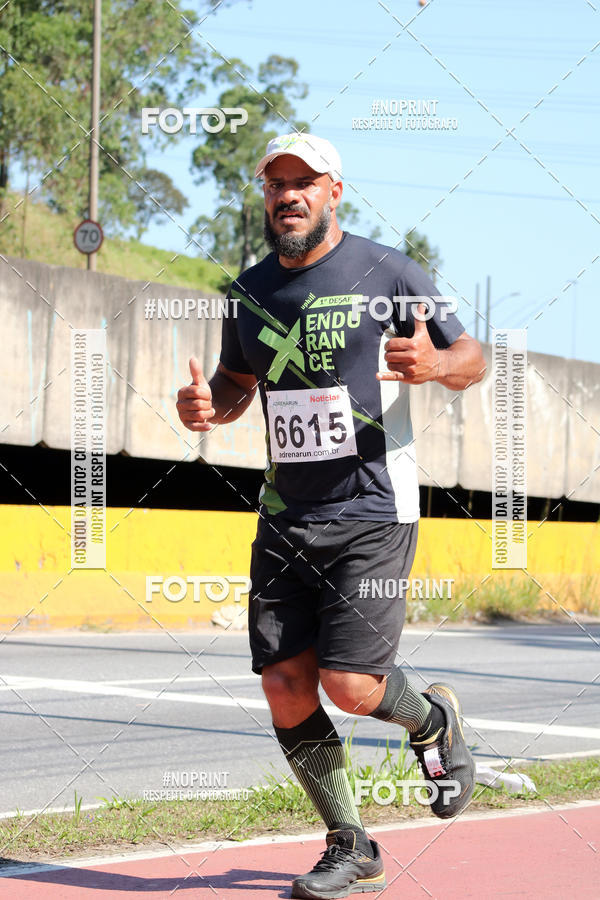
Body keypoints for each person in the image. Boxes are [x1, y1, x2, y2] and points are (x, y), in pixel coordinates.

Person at [177, 133, 486, 900]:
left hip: (375, 506)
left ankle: (431, 722)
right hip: (286, 514)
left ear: (334, 191)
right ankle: (352, 846)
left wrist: (437, 365)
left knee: (350, 684)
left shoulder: (387, 271)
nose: (287, 194)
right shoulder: (249, 292)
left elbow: (472, 357)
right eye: (275, 182)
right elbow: (235, 381)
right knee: (286, 683)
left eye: (303, 182)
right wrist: (206, 407)